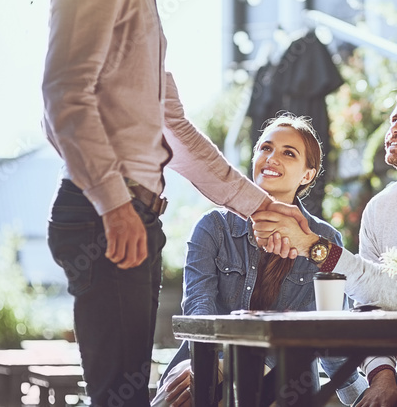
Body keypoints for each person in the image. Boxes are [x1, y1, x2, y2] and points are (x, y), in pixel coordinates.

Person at [42, 0, 308, 407]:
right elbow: (65, 96)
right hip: (105, 215)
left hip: (130, 213)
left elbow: (174, 128)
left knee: (127, 395)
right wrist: (115, 206)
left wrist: (258, 204)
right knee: (120, 397)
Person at [252, 82, 397, 407]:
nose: (394, 127)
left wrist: (314, 247)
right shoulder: (379, 208)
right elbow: (368, 305)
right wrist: (381, 377)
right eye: (394, 118)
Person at [150, 115, 367, 407]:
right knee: (184, 387)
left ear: (307, 175)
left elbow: (319, 329)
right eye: (265, 148)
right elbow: (198, 312)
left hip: (282, 376)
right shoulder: (214, 227)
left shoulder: (322, 240)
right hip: (205, 359)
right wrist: (210, 366)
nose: (272, 158)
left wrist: (364, 393)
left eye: (288, 153)